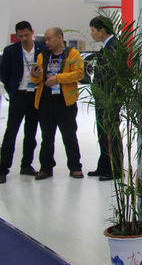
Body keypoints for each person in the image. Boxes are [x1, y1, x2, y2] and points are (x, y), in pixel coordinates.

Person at [29, 27, 84, 180]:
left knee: (69, 135)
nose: (46, 42)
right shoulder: (43, 56)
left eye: (49, 39)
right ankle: (46, 168)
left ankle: (75, 167)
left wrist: (58, 78)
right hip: (46, 101)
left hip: (65, 101)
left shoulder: (72, 53)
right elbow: (37, 80)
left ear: (59, 37)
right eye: (45, 39)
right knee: (47, 137)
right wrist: (35, 76)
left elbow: (78, 73)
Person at [0, 21, 45, 183]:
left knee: (31, 132)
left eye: (26, 35)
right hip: (18, 95)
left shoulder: (41, 50)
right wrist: (12, 90)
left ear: (32, 32)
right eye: (20, 36)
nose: (24, 38)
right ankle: (3, 168)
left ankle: (26, 164)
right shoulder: (10, 51)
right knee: (11, 132)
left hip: (35, 96)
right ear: (17, 36)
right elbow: (3, 74)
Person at [88, 16, 122, 181]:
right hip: (103, 97)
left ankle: (115, 169)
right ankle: (104, 166)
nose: (92, 34)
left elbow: (110, 74)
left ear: (102, 30)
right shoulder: (107, 46)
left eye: (93, 30)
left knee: (110, 133)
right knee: (103, 131)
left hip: (109, 98)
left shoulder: (113, 47)